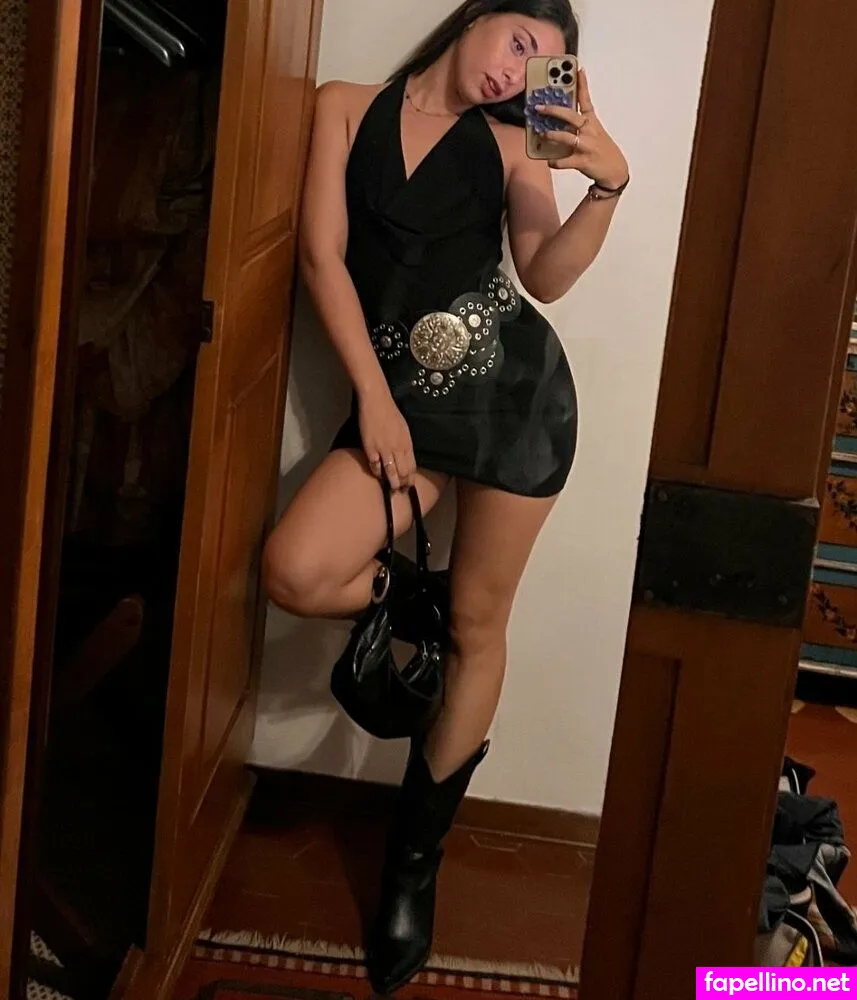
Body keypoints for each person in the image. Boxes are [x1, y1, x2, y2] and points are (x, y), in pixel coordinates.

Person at [262, 0, 628, 991]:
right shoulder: (344, 105)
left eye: (543, 64)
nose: (517, 70)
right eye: (519, 41)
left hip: (515, 405)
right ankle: (409, 598)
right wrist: (374, 403)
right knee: (296, 569)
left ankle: (409, 871)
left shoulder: (513, 147)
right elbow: (321, 257)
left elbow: (544, 277)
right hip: (402, 411)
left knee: (478, 626)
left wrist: (605, 186)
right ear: (476, 16)